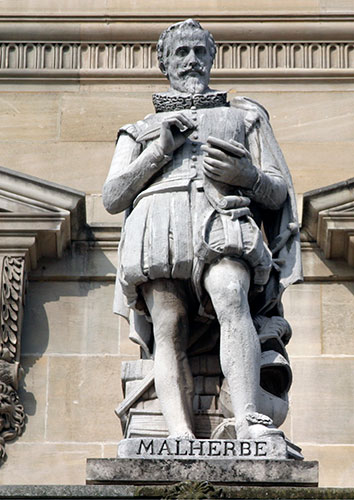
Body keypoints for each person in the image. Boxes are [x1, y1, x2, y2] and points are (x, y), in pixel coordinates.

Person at [103, 19, 301, 441]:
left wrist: (246, 175)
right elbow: (113, 196)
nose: (191, 60)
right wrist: (158, 151)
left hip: (222, 220)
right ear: (164, 63)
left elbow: (277, 189)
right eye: (181, 52)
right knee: (168, 323)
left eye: (199, 51)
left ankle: (247, 416)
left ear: (212, 57)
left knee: (232, 295)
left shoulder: (244, 118)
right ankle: (178, 433)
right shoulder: (138, 130)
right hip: (159, 226)